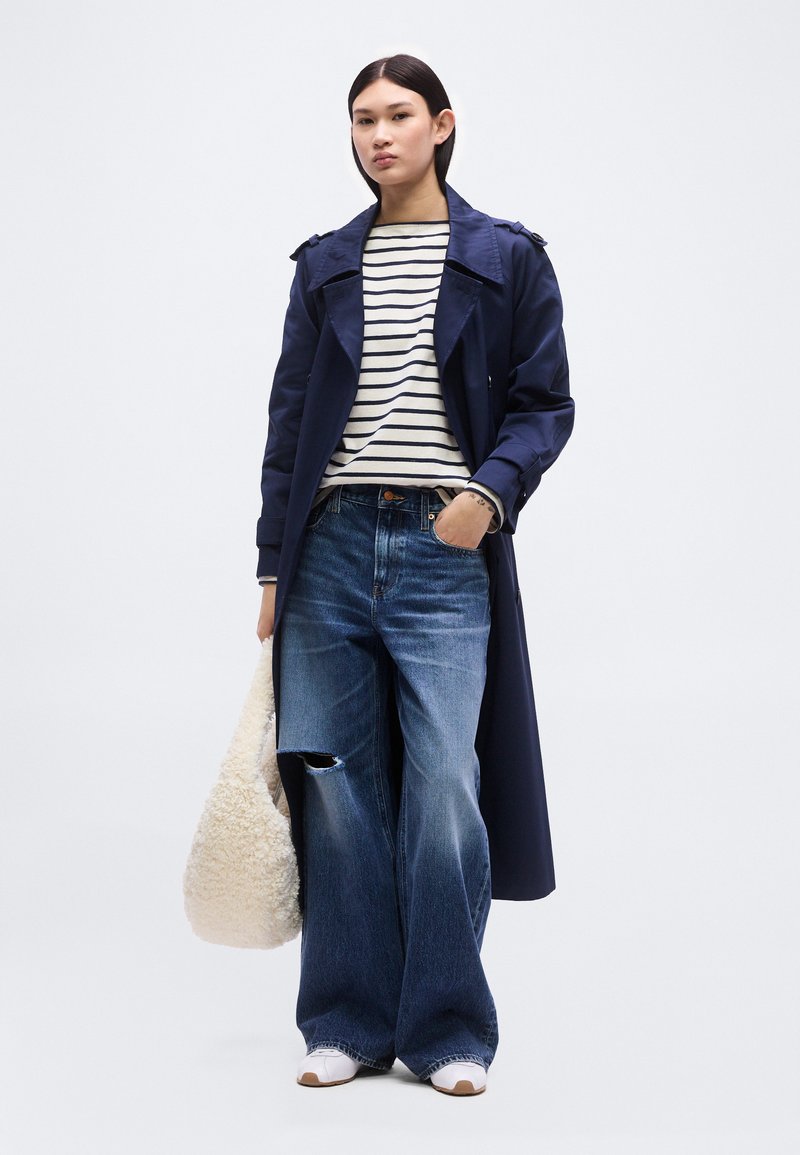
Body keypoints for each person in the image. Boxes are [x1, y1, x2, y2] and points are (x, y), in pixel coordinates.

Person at [254, 53, 574, 1096]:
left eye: (397, 116)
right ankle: (346, 1020)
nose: (378, 135)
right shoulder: (324, 265)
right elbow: (289, 423)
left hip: (445, 548)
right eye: (362, 119)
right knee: (334, 789)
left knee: (444, 785)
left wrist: (487, 493)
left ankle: (446, 1030)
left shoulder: (505, 257)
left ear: (441, 124)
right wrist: (272, 565)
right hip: (330, 544)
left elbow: (544, 405)